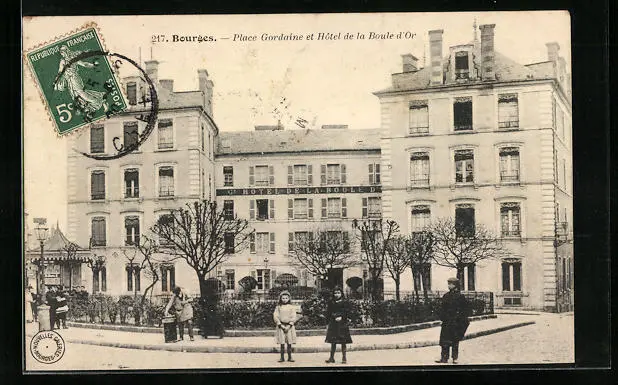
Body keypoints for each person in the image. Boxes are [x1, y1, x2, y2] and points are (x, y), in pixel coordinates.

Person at [435, 277, 471, 364]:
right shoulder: (446, 295)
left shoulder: (460, 296)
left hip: (456, 322)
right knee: (444, 341)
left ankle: (455, 358)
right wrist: (442, 318)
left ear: (455, 285)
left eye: (450, 284)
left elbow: (465, 309)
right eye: (448, 283)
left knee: (455, 340)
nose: (449, 285)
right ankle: (444, 358)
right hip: (447, 322)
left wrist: (460, 318)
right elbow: (442, 308)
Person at [324, 286, 353, 364]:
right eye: (335, 293)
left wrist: (342, 317)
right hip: (333, 324)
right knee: (333, 341)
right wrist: (327, 323)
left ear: (341, 293)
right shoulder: (331, 302)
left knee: (343, 341)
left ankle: (344, 358)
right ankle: (331, 358)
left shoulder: (345, 302)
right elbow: (328, 313)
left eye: (338, 293)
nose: (336, 295)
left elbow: (347, 312)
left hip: (342, 324)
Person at [273, 290, 302, 362]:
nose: (284, 300)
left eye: (286, 298)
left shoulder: (291, 307)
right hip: (281, 326)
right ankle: (282, 357)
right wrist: (280, 324)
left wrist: (289, 325)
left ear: (289, 299)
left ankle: (290, 357)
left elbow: (294, 316)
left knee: (289, 342)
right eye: (283, 298)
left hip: (289, 327)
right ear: (280, 299)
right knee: (282, 343)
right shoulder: (278, 307)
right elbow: (275, 316)